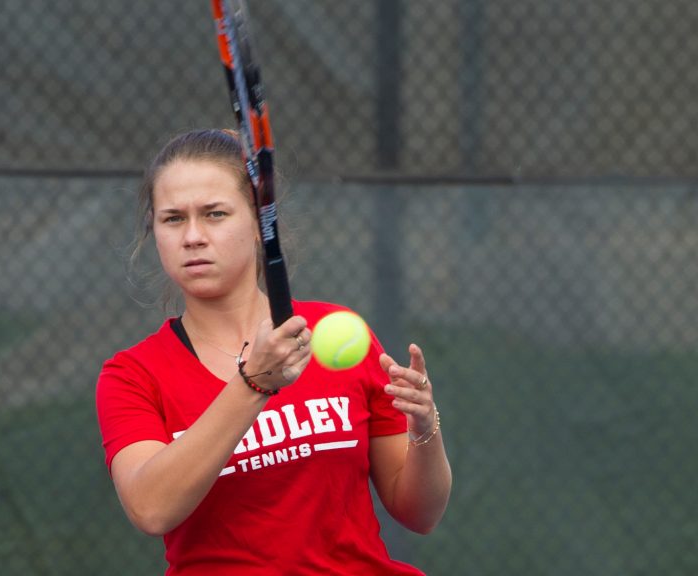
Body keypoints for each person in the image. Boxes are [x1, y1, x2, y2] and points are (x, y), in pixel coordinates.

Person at [96, 128, 451, 575]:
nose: (192, 236)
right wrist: (252, 384)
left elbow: (419, 514)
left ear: (260, 222)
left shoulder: (336, 333)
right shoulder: (132, 375)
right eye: (172, 219)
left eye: (214, 214)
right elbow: (151, 508)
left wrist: (424, 427)